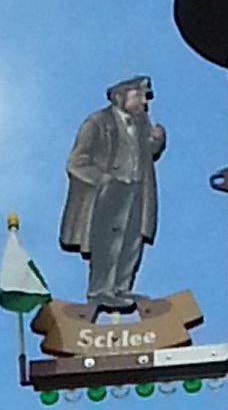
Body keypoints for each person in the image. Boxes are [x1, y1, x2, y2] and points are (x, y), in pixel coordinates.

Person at [61, 76, 166, 311]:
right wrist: (103, 179)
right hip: (107, 193)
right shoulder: (97, 123)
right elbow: (76, 161)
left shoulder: (141, 124)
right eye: (139, 96)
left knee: (131, 240)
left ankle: (121, 288)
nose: (144, 102)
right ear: (120, 96)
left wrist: (156, 142)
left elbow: (143, 154)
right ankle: (101, 291)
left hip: (136, 190)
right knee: (108, 242)